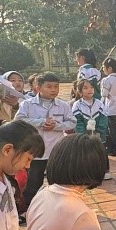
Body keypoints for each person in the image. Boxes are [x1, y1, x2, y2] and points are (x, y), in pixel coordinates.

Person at [16, 73, 77, 206]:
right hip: (35, 152)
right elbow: (19, 120)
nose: (53, 90)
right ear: (38, 88)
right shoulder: (28, 104)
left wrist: (57, 126)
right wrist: (40, 122)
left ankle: (57, 207)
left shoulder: (63, 105)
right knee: (33, 183)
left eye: (56, 86)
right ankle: (29, 208)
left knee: (57, 182)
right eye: (49, 86)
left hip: (56, 151)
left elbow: (72, 122)